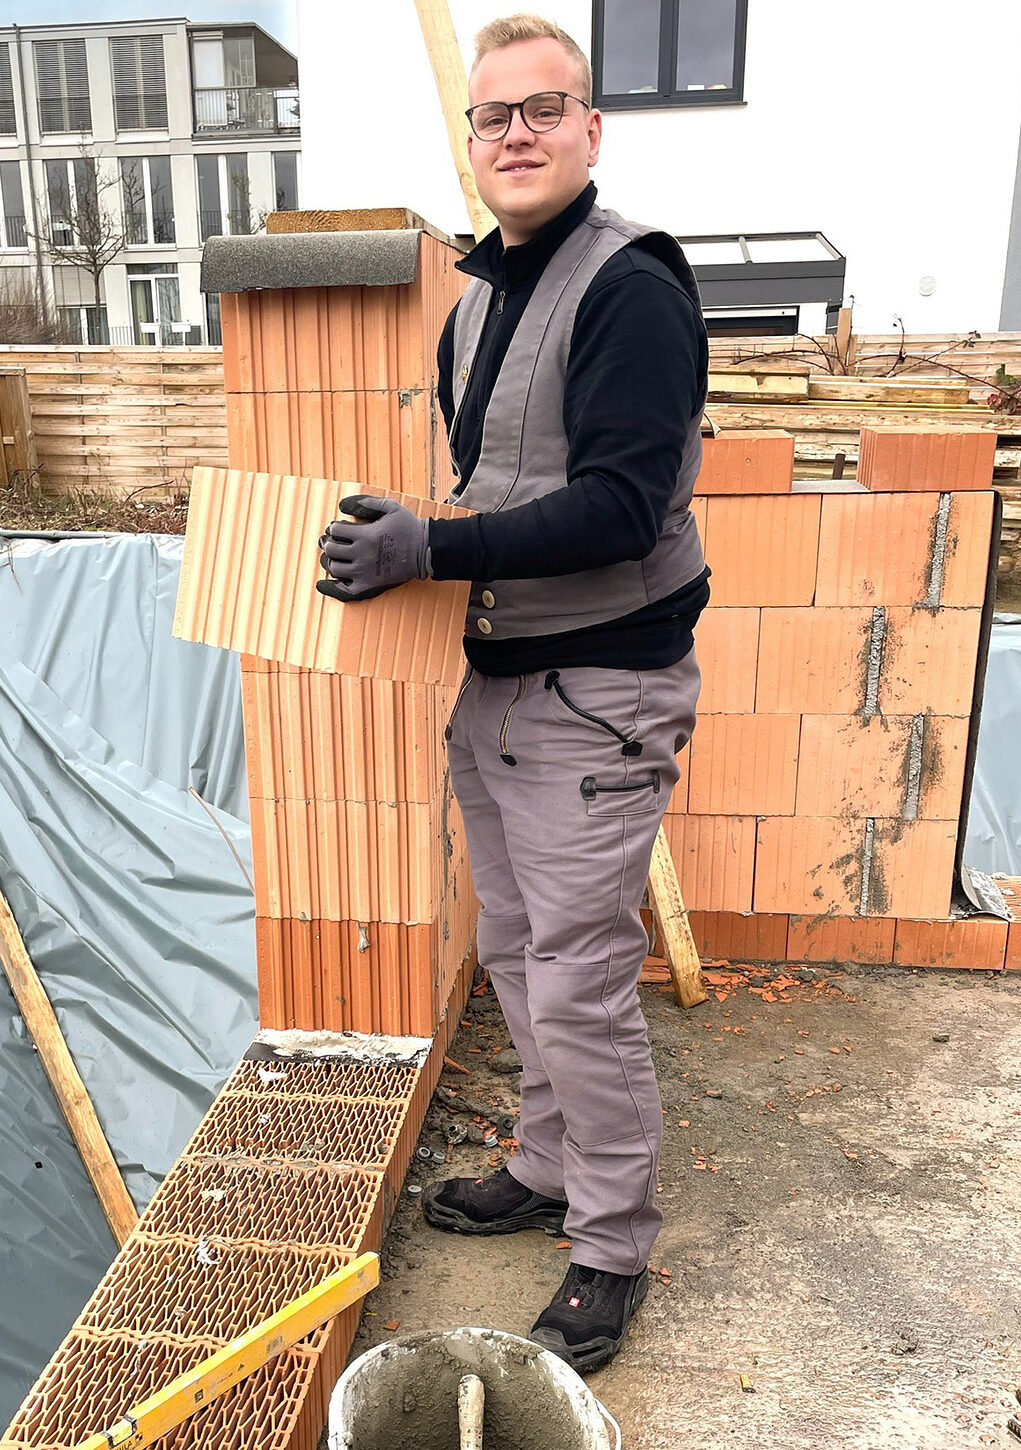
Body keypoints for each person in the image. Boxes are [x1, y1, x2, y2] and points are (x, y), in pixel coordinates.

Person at [315, 13, 709, 1374]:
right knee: (515, 956)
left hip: (598, 692)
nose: (519, 133)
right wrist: (405, 542)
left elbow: (619, 504)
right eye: (496, 116)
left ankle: (609, 1243)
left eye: (547, 109)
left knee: (583, 980)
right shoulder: (480, 298)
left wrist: (436, 548)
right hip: (495, 682)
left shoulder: (631, 288)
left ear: (590, 130)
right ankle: (546, 1165)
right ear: (472, 142)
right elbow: (503, 491)